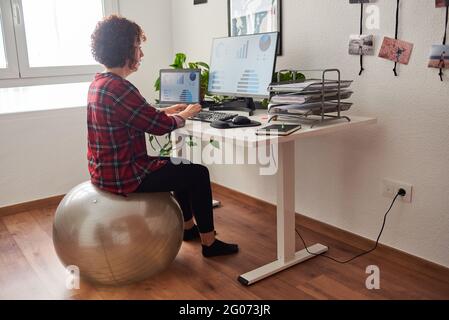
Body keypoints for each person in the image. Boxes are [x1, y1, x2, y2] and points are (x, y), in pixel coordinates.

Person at [88, 15, 238, 258]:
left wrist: (167, 110)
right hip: (126, 175)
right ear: (126, 49)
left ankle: (188, 229)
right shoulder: (119, 87)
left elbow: (136, 115)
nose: (142, 54)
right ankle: (210, 244)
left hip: (107, 170)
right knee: (198, 174)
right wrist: (187, 113)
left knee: (180, 165)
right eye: (138, 47)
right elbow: (158, 127)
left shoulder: (100, 83)